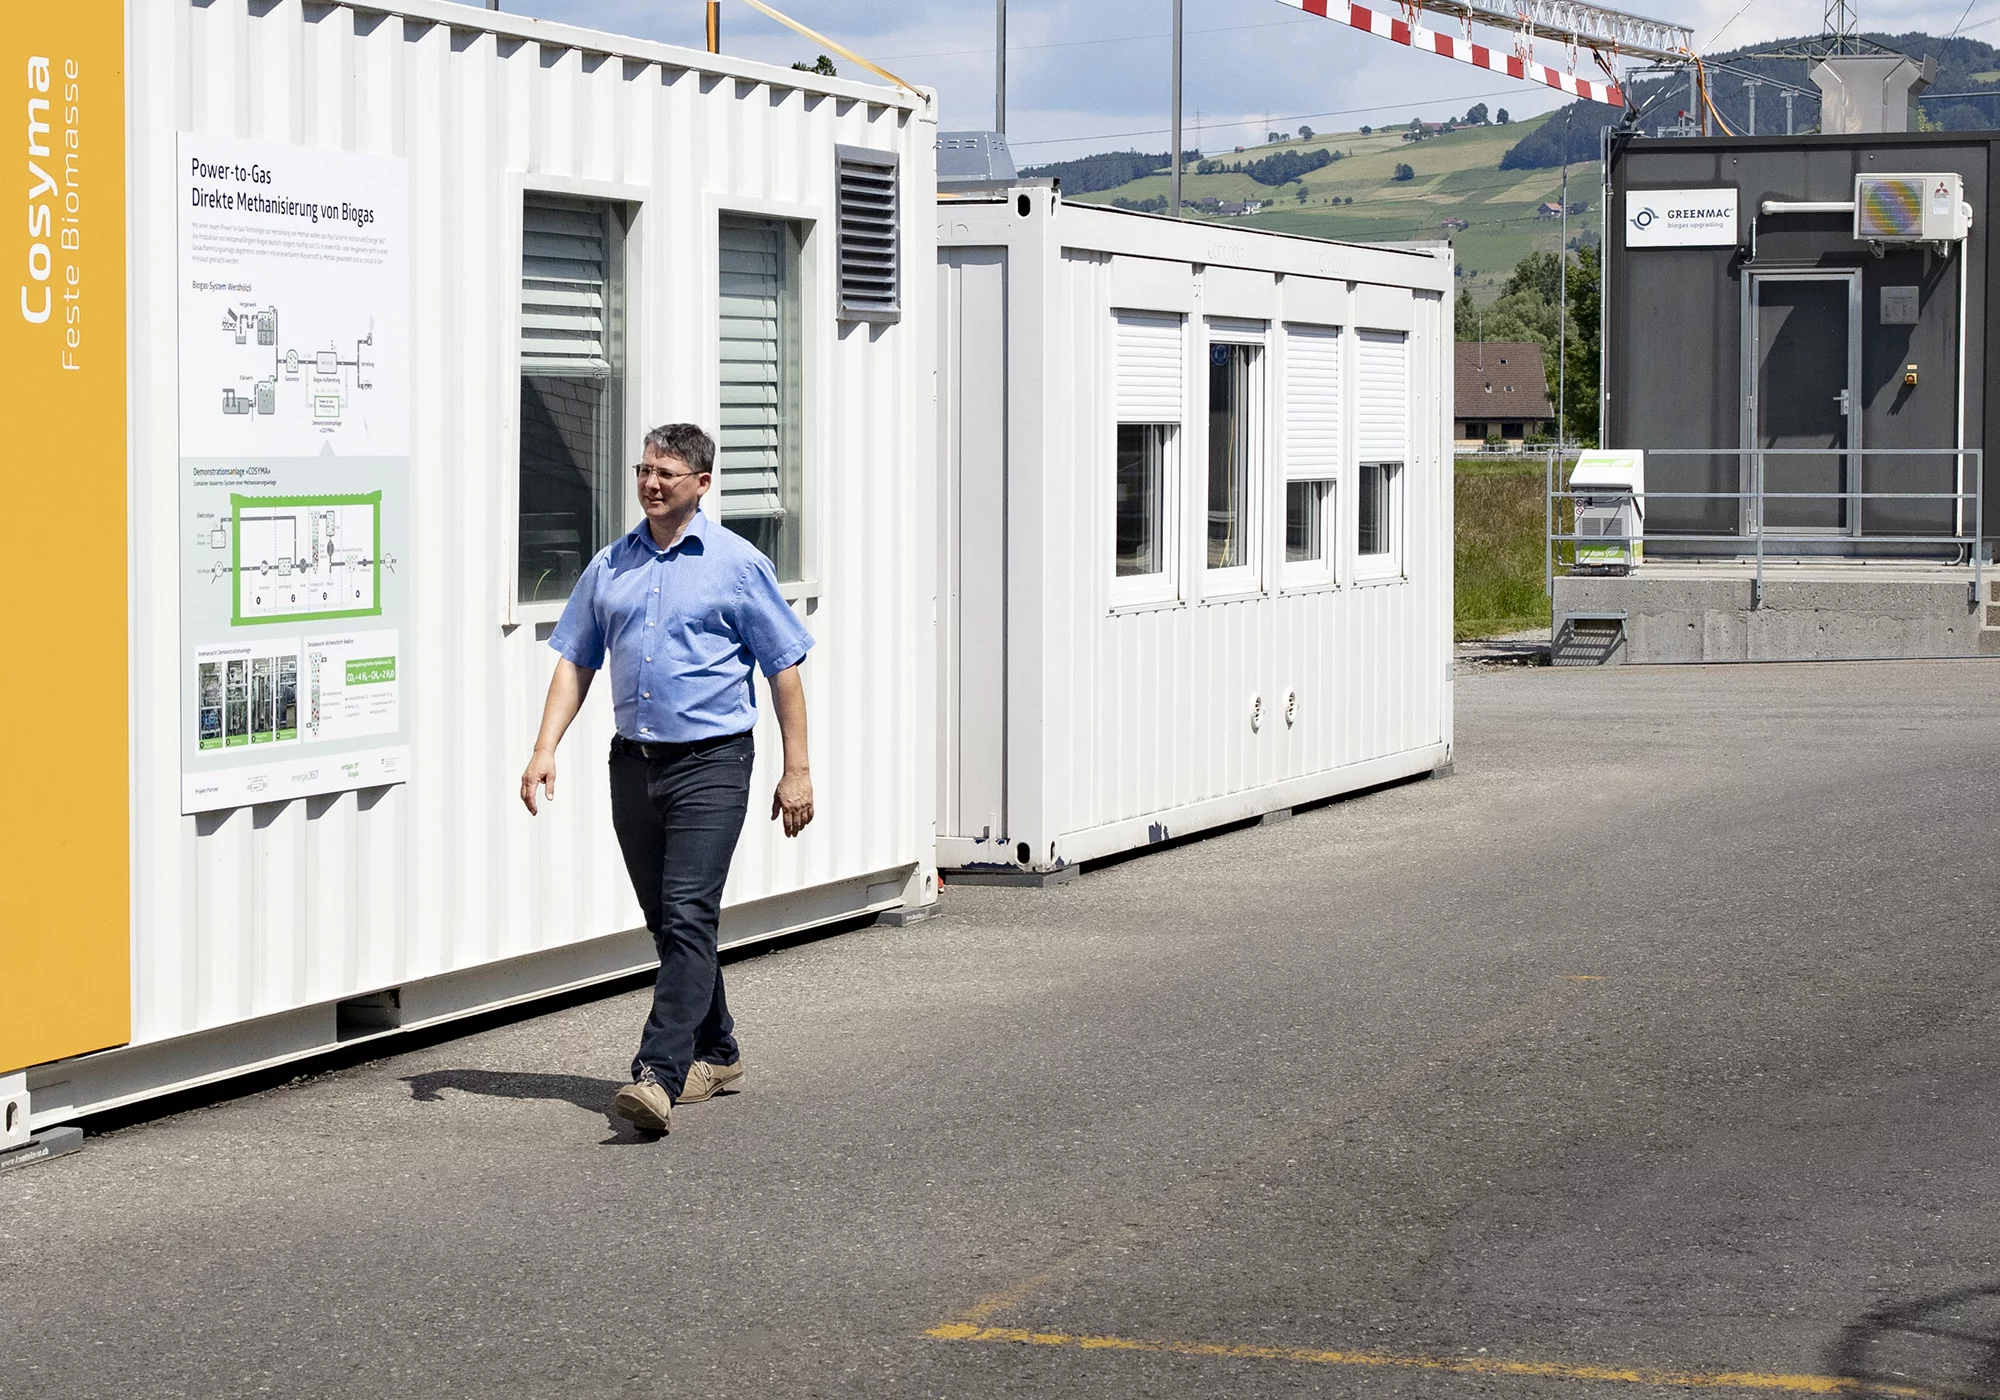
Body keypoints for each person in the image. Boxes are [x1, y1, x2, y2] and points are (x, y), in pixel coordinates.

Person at [520, 422, 814, 1136]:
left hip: (713, 763)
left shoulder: (737, 565)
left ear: (702, 484)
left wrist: (797, 771)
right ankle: (719, 1051)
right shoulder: (611, 565)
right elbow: (575, 661)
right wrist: (544, 748)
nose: (651, 484)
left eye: (667, 473)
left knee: (687, 913)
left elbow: (784, 671)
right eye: (644, 470)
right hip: (634, 763)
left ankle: (658, 1073)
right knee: (671, 921)